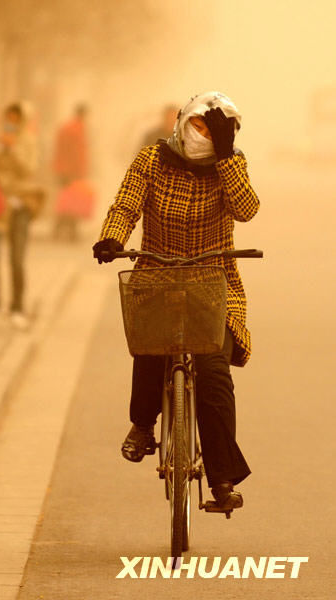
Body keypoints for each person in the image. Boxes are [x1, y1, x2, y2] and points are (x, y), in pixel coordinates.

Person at [92, 91, 260, 510]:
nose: (203, 136)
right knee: (149, 347)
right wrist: (113, 236)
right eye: (198, 127)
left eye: (214, 131)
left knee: (214, 373)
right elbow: (126, 203)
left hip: (214, 285)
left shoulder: (231, 164)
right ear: (183, 123)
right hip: (158, 274)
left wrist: (224, 157)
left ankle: (221, 481)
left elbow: (247, 209)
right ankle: (143, 425)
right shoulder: (152, 159)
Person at [0, 102, 38, 329]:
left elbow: (29, 170)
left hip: (19, 203)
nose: (11, 123)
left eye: (16, 119)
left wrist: (12, 150)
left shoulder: (29, 141)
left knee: (17, 259)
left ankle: (17, 307)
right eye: (8, 118)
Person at [52, 104, 90, 240]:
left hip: (65, 169)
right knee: (71, 201)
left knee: (68, 200)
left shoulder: (68, 127)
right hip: (70, 171)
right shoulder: (76, 129)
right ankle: (65, 230)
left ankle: (64, 230)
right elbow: (75, 153)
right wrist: (78, 171)